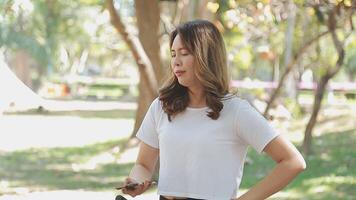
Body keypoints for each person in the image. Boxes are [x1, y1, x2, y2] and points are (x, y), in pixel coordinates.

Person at [120, 20, 306, 200]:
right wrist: (136, 181)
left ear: (206, 56)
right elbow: (143, 165)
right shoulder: (161, 106)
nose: (176, 62)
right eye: (173, 54)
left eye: (184, 53)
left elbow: (292, 162)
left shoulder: (236, 111)